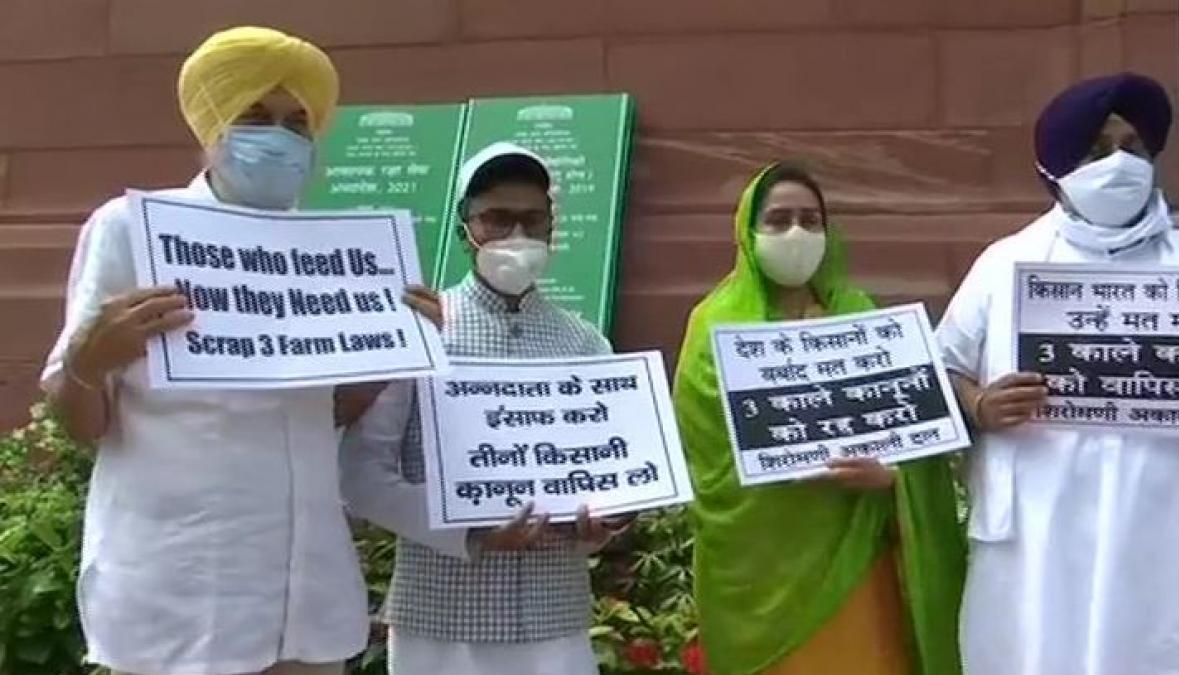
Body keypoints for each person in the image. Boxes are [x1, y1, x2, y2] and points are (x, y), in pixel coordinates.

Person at [41, 26, 433, 675]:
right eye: (255, 116)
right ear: (211, 125)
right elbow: (80, 422)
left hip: (305, 591)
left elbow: (327, 411)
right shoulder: (131, 229)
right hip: (182, 589)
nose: (278, 136)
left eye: (296, 122)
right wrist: (90, 360)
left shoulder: (329, 257)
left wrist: (392, 352)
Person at [937, 72, 1179, 675]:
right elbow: (939, 370)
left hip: (1167, 522)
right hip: (1039, 528)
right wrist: (979, 404)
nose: (1119, 164)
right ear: (1055, 169)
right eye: (1097, 150)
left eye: (1132, 147)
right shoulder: (1004, 264)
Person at [340, 142, 626, 675]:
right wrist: (468, 531)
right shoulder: (422, 330)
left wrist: (607, 521)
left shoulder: (586, 344)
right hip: (443, 622)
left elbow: (613, 482)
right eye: (497, 219)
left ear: (552, 228)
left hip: (554, 618)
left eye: (532, 220)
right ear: (463, 228)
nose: (517, 236)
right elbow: (363, 478)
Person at [673, 161, 965, 675]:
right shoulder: (714, 325)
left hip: (857, 563)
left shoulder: (861, 315)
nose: (796, 234)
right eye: (778, 220)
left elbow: (915, 435)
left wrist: (893, 480)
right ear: (747, 232)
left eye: (811, 220)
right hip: (760, 570)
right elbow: (711, 463)